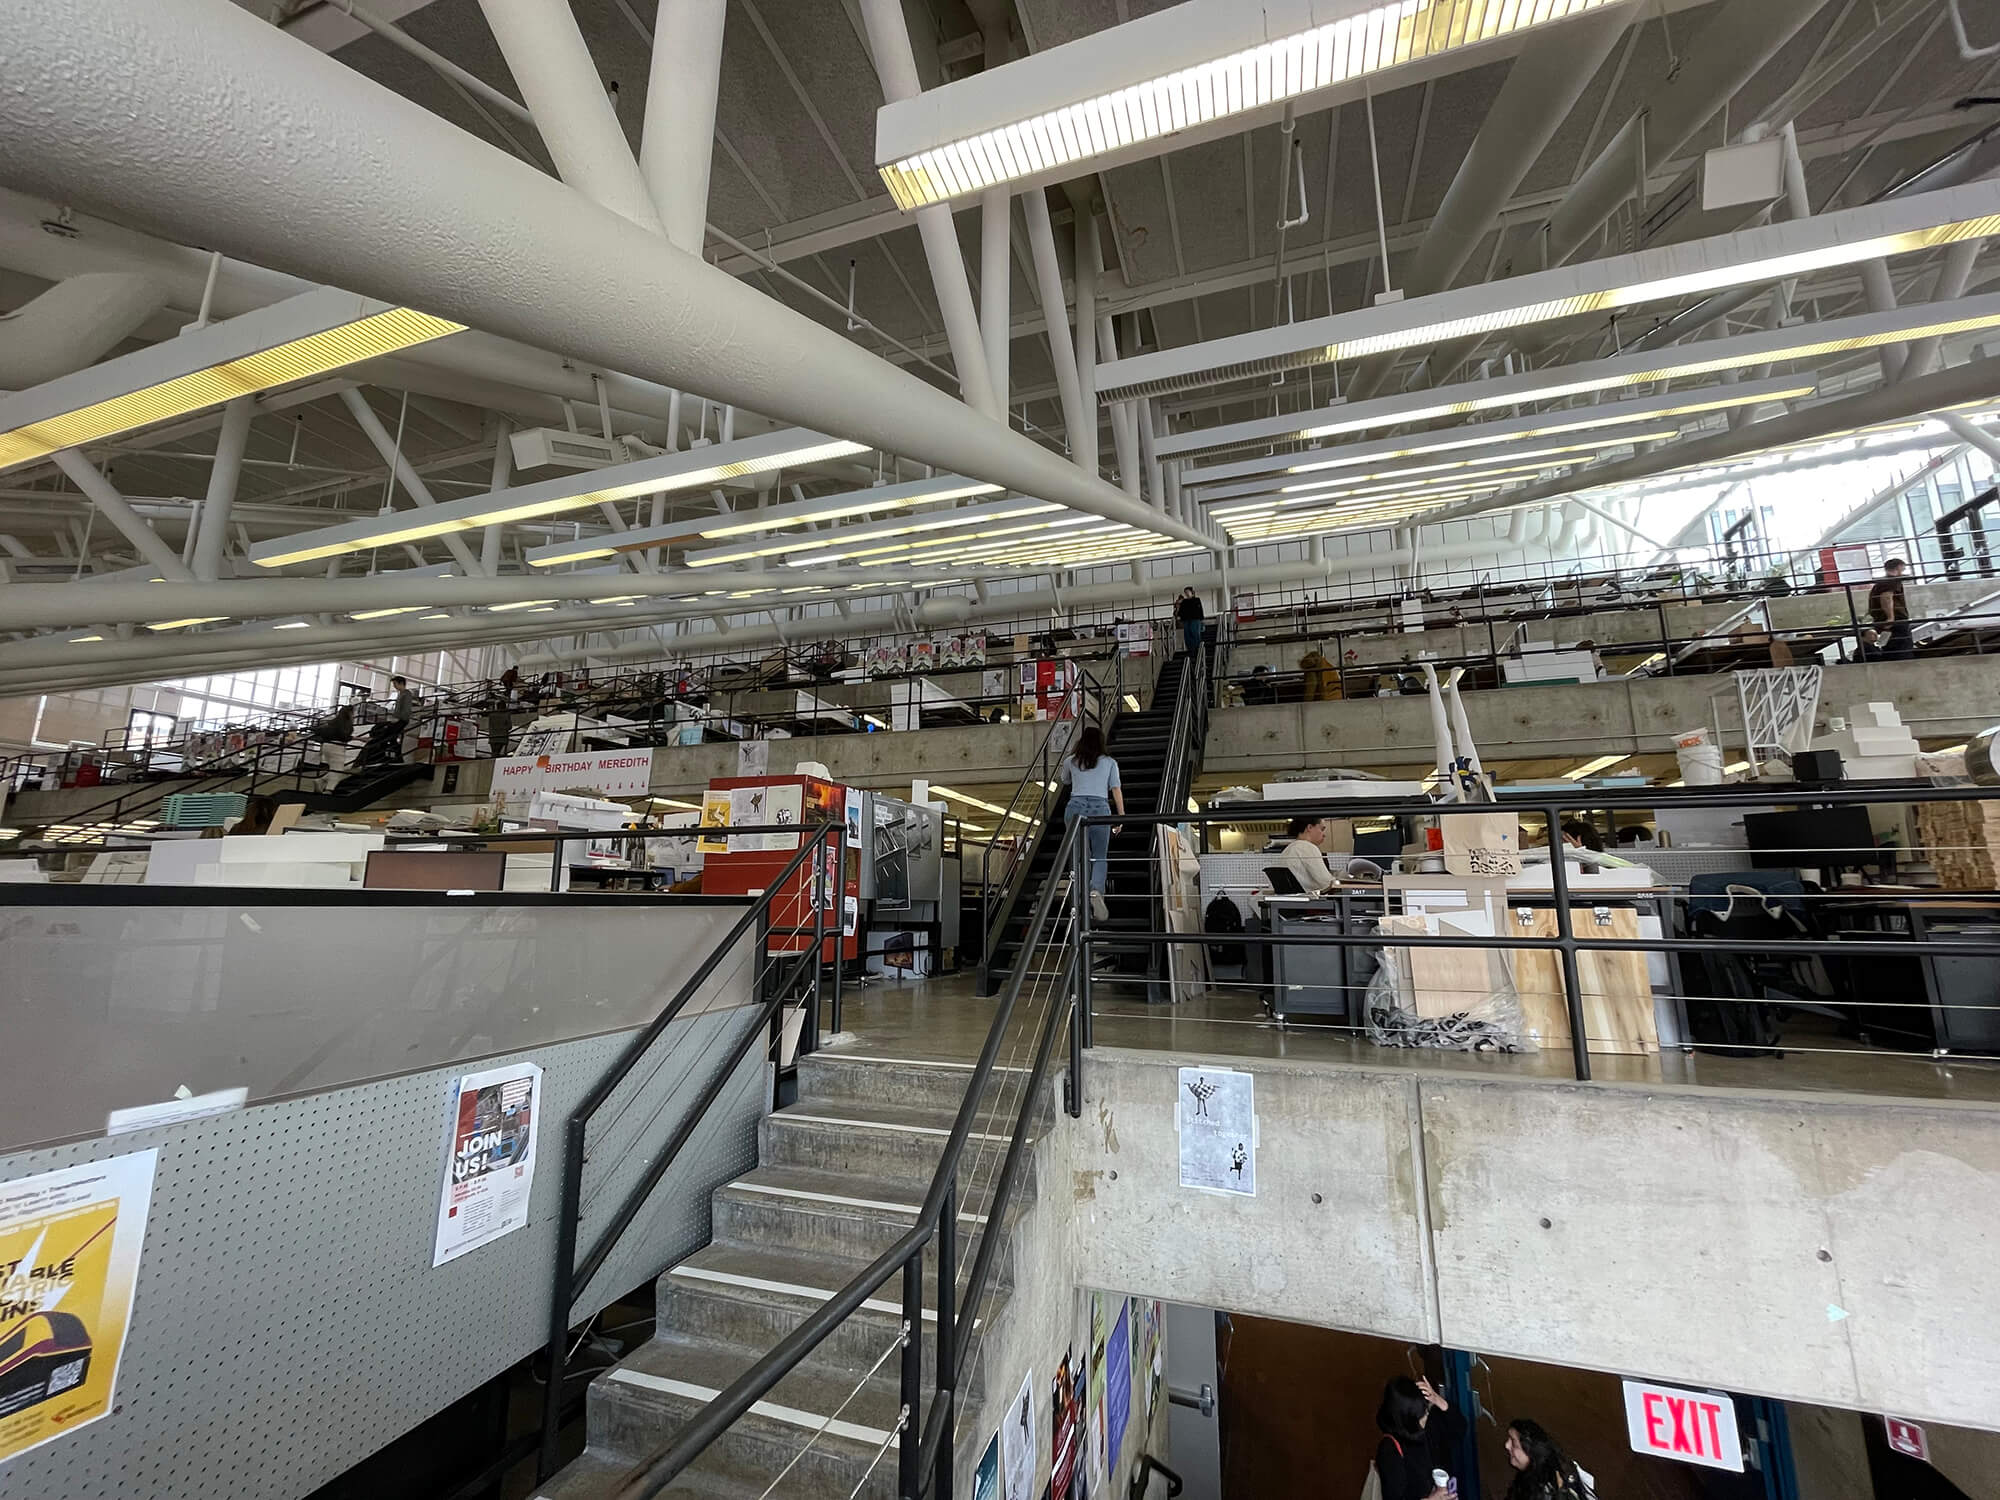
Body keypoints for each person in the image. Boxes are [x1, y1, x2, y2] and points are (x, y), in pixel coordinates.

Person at [1061, 725, 1124, 923]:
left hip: (1075, 809)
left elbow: (1064, 780)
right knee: (1099, 856)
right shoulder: (1110, 762)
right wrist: (1121, 816)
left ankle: (1079, 898)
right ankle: (1095, 890)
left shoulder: (1071, 761)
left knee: (1080, 857)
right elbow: (1115, 789)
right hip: (1100, 809)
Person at [1373, 1376, 1462, 1500]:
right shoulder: (1390, 1450)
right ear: (1407, 1418)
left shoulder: (1428, 1422)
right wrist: (1432, 1499)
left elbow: (1460, 1430)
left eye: (1426, 1409)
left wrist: (1438, 1400)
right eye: (1421, 1414)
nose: (1426, 1414)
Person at [1503, 1418, 1594, 1500]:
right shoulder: (1538, 1471)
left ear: (1530, 1450)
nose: (1507, 1445)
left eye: (1513, 1442)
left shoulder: (1547, 1491)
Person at [1275, 815, 1338, 895]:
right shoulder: (1306, 847)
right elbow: (1326, 882)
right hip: (1309, 904)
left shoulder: (1290, 848)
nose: (1324, 834)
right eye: (1322, 829)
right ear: (1310, 827)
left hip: (1293, 902)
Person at [1868, 557, 1914, 660]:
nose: (1903, 571)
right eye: (1902, 569)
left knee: (1890, 646)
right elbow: (1886, 598)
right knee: (1902, 647)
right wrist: (1890, 617)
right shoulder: (1891, 581)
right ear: (1898, 567)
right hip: (1896, 620)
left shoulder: (1881, 583)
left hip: (1883, 620)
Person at [1175, 588, 1206, 659]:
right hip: (1186, 620)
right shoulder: (1184, 602)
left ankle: (1197, 650)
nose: (1186, 593)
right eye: (1185, 592)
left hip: (1195, 619)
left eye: (1187, 592)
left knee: (1194, 634)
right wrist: (1179, 616)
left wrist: (1202, 620)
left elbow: (1200, 610)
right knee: (1187, 635)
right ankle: (1191, 650)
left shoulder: (1196, 600)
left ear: (1192, 592)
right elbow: (1181, 610)